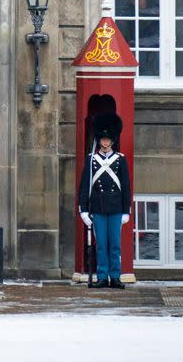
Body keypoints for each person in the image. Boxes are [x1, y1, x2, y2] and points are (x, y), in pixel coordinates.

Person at [78, 113, 131, 289]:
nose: (106, 143)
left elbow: (125, 186)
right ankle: (102, 276)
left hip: (115, 208)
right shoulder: (91, 159)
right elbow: (85, 186)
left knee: (115, 245)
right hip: (99, 208)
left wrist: (126, 210)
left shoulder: (120, 160)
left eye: (108, 140)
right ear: (99, 140)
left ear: (112, 141)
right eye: (103, 139)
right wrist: (83, 210)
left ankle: (115, 276)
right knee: (101, 245)